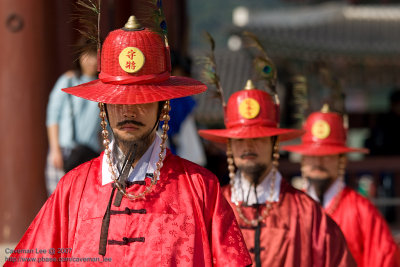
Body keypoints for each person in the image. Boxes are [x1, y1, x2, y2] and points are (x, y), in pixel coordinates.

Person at [5, 16, 252, 266]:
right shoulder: (73, 188)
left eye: (142, 99)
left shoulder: (201, 188)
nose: (129, 111)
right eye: (118, 99)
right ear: (104, 105)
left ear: (163, 105)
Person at [198, 80, 356, 267]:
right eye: (240, 139)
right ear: (230, 146)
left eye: (258, 137)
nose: (248, 146)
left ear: (274, 143)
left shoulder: (308, 213)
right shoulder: (212, 208)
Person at [282, 104, 400, 267]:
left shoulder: (362, 211)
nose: (319, 161)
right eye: (312, 155)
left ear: (342, 160)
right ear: (303, 160)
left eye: (327, 155)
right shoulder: (287, 209)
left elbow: (384, 259)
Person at [45, 38, 101, 195]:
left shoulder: (102, 87)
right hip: (64, 150)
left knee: (84, 200)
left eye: (96, 56)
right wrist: (55, 149)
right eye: (88, 55)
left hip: (90, 153)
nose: (92, 61)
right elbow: (52, 116)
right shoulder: (68, 80)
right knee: (59, 199)